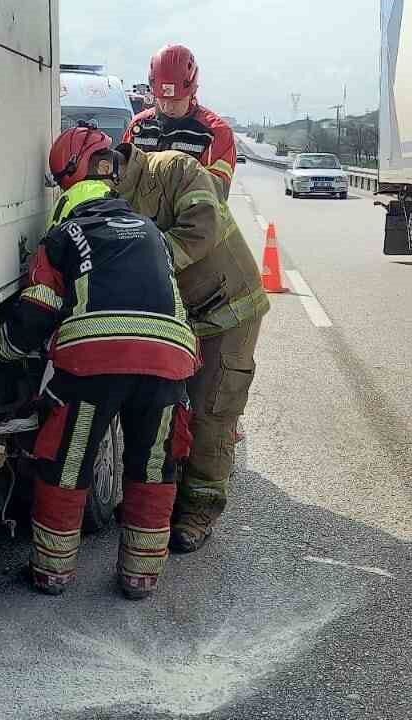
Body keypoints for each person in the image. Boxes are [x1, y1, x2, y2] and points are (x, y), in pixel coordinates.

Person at [0, 123, 197, 599]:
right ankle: (140, 578)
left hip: (94, 365)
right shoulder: (153, 234)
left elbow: (34, 316)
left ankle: (52, 573)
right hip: (169, 364)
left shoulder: (64, 237)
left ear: (67, 184)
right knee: (154, 465)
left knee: (67, 460)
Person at [109, 140, 267, 554]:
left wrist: (144, 260)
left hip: (231, 309)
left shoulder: (176, 169)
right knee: (165, 408)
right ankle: (163, 497)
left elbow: (203, 228)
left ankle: (199, 510)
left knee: (211, 411)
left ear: (116, 164)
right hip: (183, 317)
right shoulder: (111, 194)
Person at [123, 44, 239, 201]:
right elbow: (122, 181)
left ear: (192, 91)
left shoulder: (216, 133)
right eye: (162, 99)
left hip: (191, 220)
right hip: (140, 222)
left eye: (176, 100)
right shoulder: (139, 126)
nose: (168, 107)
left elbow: (215, 195)